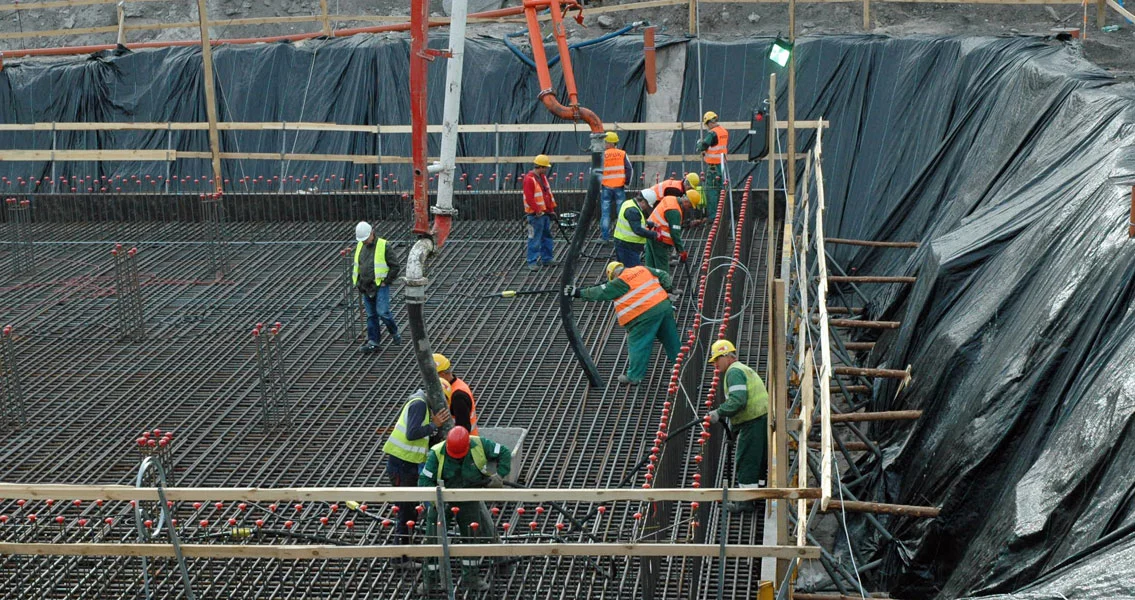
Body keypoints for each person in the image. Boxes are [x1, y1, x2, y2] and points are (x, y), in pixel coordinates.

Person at [418, 426, 512, 593]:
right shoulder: (437, 453)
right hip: (442, 499)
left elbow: (504, 452)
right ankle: (429, 581)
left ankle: (470, 578)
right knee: (433, 538)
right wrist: (435, 503)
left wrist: (500, 475)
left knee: (470, 537)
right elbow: (424, 480)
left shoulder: (479, 445)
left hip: (468, 497)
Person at [569, 261, 680, 385]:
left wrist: (577, 293)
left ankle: (634, 376)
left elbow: (601, 291)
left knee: (638, 344)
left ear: (613, 276)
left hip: (644, 315)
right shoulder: (641, 269)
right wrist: (668, 289)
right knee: (671, 338)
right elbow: (663, 274)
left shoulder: (620, 281)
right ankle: (680, 364)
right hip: (664, 307)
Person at [382, 381, 452, 569]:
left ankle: (404, 553)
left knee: (410, 510)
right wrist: (434, 425)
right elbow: (412, 433)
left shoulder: (423, 403)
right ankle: (399, 558)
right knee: (406, 511)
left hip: (408, 465)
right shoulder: (419, 404)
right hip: (401, 465)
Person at [706, 339, 769, 513]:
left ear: (726, 356)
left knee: (746, 461)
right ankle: (758, 494)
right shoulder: (742, 369)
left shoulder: (733, 372)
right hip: (760, 419)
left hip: (753, 422)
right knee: (758, 460)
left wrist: (718, 412)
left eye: (717, 360)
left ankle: (745, 502)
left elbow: (738, 401)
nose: (716, 365)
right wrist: (733, 431)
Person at [353, 221, 401, 354]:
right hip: (365, 286)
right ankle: (374, 342)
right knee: (371, 315)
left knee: (383, 313)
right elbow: (358, 265)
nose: (363, 242)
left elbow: (395, 266)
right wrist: (358, 282)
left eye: (365, 239)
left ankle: (394, 332)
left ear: (372, 233)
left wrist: (386, 281)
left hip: (380, 285)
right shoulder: (360, 246)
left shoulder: (384, 245)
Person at [644, 189, 703, 275]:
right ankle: (666, 287)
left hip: (650, 233)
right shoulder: (675, 211)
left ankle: (650, 284)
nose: (688, 209)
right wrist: (681, 251)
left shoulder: (670, 199)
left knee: (650, 265)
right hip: (660, 240)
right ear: (687, 201)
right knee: (662, 267)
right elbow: (675, 234)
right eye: (689, 206)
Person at [523, 154, 557, 271]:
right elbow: (529, 198)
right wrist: (537, 210)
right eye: (545, 167)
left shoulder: (542, 178)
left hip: (544, 214)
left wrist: (551, 210)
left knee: (546, 236)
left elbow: (546, 195)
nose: (546, 170)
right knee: (534, 238)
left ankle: (547, 258)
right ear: (540, 167)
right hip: (535, 215)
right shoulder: (529, 179)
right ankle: (532, 261)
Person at [695, 111, 729, 225]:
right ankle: (721, 215)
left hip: (713, 167)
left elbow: (704, 146)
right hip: (722, 166)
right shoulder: (723, 131)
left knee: (711, 191)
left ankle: (713, 217)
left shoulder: (713, 133)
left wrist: (699, 144)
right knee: (720, 190)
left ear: (709, 122)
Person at [600, 131, 633, 243]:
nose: (604, 144)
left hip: (606, 187)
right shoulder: (622, 154)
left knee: (605, 213)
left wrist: (600, 183)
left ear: (609, 143)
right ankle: (620, 236)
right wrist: (627, 183)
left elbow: (597, 171)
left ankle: (605, 237)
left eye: (605, 142)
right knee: (621, 213)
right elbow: (629, 169)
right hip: (619, 186)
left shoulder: (602, 155)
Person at [433, 353, 479, 434]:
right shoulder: (456, 384)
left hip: (465, 442)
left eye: (434, 376)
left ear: (442, 374)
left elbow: (463, 430)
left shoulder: (458, 396)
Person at [612, 190, 658, 268]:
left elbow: (635, 221)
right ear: (643, 201)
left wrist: (650, 224)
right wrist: (654, 235)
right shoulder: (633, 211)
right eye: (647, 205)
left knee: (625, 271)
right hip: (627, 246)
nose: (646, 208)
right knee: (634, 272)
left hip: (623, 243)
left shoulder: (628, 203)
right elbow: (637, 230)